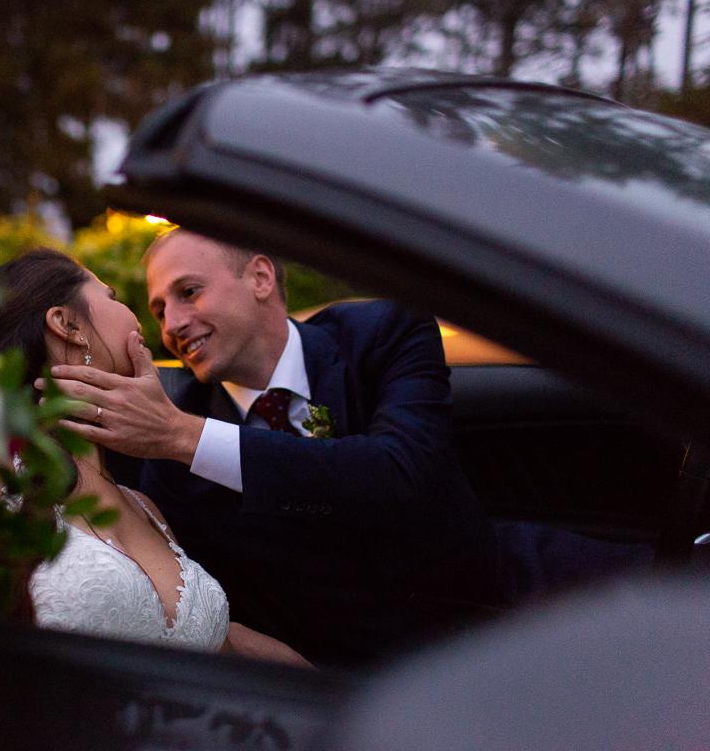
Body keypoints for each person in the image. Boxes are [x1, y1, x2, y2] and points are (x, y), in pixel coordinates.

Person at [47, 230, 500, 667]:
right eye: (160, 310)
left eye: (189, 292)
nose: (173, 325)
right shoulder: (171, 459)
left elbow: (402, 473)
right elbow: (204, 602)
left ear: (261, 277)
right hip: (349, 679)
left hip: (495, 618)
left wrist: (185, 436)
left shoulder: (385, 333)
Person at [0, 248, 307, 665]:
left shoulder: (146, 505)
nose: (150, 324)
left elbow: (208, 644)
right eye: (110, 296)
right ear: (66, 324)